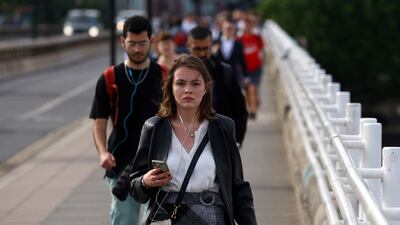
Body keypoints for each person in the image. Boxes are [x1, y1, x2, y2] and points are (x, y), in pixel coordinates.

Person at [128, 54, 258, 225]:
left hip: (212, 218)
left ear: (206, 87)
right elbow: (135, 188)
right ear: (170, 88)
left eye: (195, 83)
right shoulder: (153, 128)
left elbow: (238, 187)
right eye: (180, 83)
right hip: (167, 219)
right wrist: (145, 181)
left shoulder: (223, 127)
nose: (187, 89)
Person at [89, 15, 164, 225]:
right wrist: (103, 151)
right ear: (123, 42)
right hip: (120, 162)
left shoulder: (165, 76)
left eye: (143, 43)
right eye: (132, 44)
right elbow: (99, 121)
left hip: (157, 162)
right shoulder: (109, 78)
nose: (138, 49)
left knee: (156, 220)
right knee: (125, 220)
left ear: (152, 41)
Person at [187, 26, 248, 146]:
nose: (202, 53)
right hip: (186, 143)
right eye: (197, 49)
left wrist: (236, 140)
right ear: (189, 46)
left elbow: (240, 109)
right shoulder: (178, 74)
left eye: (206, 48)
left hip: (220, 143)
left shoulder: (224, 72)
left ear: (212, 46)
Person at [238, 11, 265, 120]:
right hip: (244, 69)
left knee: (252, 88)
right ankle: (250, 107)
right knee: (247, 91)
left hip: (255, 68)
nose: (247, 27)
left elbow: (262, 50)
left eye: (249, 25)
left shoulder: (256, 37)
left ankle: (253, 111)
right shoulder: (239, 40)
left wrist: (262, 62)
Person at [213, 17, 247, 86]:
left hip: (234, 76)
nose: (229, 30)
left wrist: (245, 76)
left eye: (231, 28)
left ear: (234, 30)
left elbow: (242, 60)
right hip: (219, 76)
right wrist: (213, 52)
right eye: (227, 28)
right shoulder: (215, 42)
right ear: (222, 29)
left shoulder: (238, 44)